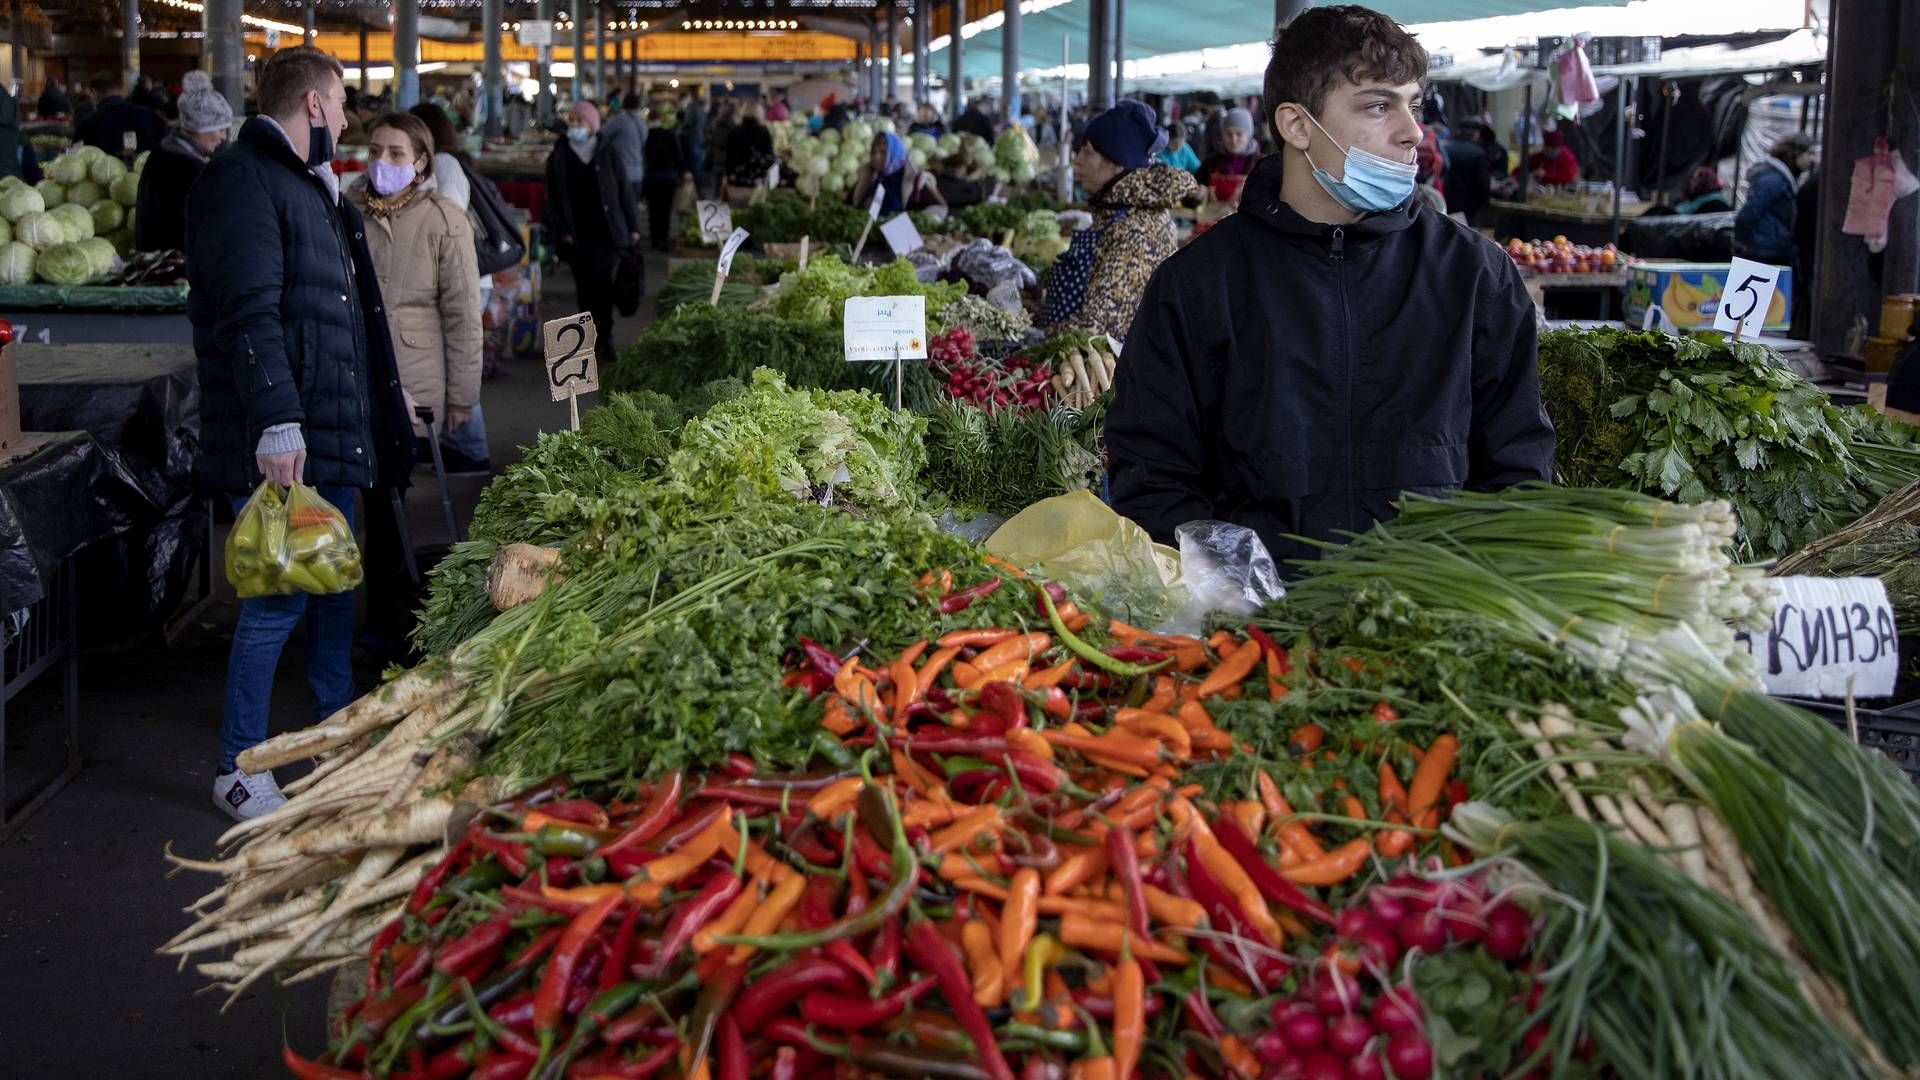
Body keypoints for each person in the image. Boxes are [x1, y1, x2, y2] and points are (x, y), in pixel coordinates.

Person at [1106, 5, 1554, 568]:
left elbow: (1517, 471)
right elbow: (1150, 474)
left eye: (1413, 104)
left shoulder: (1476, 277)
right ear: (1297, 126)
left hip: (1432, 625)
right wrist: (1236, 590)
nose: (1412, 131)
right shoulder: (1199, 285)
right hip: (1253, 636)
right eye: (1377, 105)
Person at [187, 46, 415, 819]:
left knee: (332, 588)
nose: (348, 117)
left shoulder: (308, 188)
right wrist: (278, 422)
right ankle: (237, 767)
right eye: (343, 101)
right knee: (281, 597)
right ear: (313, 105)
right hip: (288, 438)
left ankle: (333, 732)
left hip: (332, 431)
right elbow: (248, 314)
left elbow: (334, 316)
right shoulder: (244, 182)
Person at [1038, 100, 1199, 343]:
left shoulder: (1137, 230)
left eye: (1088, 152)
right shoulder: (1116, 209)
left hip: (1106, 370)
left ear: (1117, 163)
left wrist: (1040, 336)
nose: (1077, 160)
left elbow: (1099, 326)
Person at [407, 102, 497, 473]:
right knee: (442, 362)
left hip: (461, 280)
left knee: (458, 361)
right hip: (454, 280)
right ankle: (447, 443)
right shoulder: (444, 164)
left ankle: (471, 449)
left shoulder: (445, 166)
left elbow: (447, 223)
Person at [543, 100, 642, 365]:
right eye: (572, 121)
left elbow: (624, 191)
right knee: (584, 290)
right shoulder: (559, 156)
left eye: (580, 122)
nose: (574, 126)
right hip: (577, 236)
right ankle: (586, 343)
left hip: (608, 233)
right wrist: (561, 230)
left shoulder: (607, 152)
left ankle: (605, 339)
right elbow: (552, 198)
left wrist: (633, 227)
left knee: (604, 288)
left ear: (593, 125)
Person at [135, 71, 232, 252]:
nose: (223, 137)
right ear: (201, 127)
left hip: (157, 262)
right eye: (219, 129)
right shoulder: (188, 169)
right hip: (175, 268)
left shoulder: (162, 154)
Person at [1735, 133, 1814, 269]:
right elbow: (1751, 211)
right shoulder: (1774, 180)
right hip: (1764, 252)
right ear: (1796, 153)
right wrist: (1739, 241)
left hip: (1770, 250)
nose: (1812, 159)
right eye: (1808, 153)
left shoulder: (1784, 179)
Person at [849, 130, 945, 216]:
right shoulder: (869, 176)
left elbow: (940, 208)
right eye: (873, 152)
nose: (876, 157)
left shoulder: (914, 179)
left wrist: (912, 223)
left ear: (895, 153)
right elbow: (851, 204)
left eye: (883, 152)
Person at [75, 70, 167, 158]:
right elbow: (166, 144)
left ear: (94, 93)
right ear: (120, 89)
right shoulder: (149, 115)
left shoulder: (87, 125)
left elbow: (77, 156)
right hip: (146, 172)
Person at [641, 107, 689, 251]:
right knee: (666, 211)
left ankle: (655, 240)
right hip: (668, 177)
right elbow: (678, 156)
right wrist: (684, 171)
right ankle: (664, 239)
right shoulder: (670, 134)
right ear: (661, 119)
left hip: (651, 178)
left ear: (648, 120)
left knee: (653, 211)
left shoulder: (645, 136)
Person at [600, 90, 648, 207]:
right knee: (632, 209)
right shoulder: (643, 124)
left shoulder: (619, 121)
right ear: (638, 105)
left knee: (618, 209)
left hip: (620, 173)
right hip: (638, 174)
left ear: (623, 104)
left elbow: (600, 136)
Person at [1196, 107, 1259, 193]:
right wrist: (1198, 196)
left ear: (1248, 135)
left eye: (1239, 134)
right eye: (1229, 134)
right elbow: (1193, 195)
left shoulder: (1262, 164)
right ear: (1223, 134)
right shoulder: (1210, 163)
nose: (1233, 139)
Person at [1441, 122, 1491, 223]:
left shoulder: (1445, 149)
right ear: (1476, 134)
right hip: (1469, 208)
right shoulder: (1479, 154)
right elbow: (1483, 185)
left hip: (1445, 203)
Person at [723, 98, 776, 193]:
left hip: (738, 178)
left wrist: (729, 175)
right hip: (758, 179)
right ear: (759, 113)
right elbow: (769, 155)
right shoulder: (763, 130)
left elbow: (728, 157)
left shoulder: (734, 131)